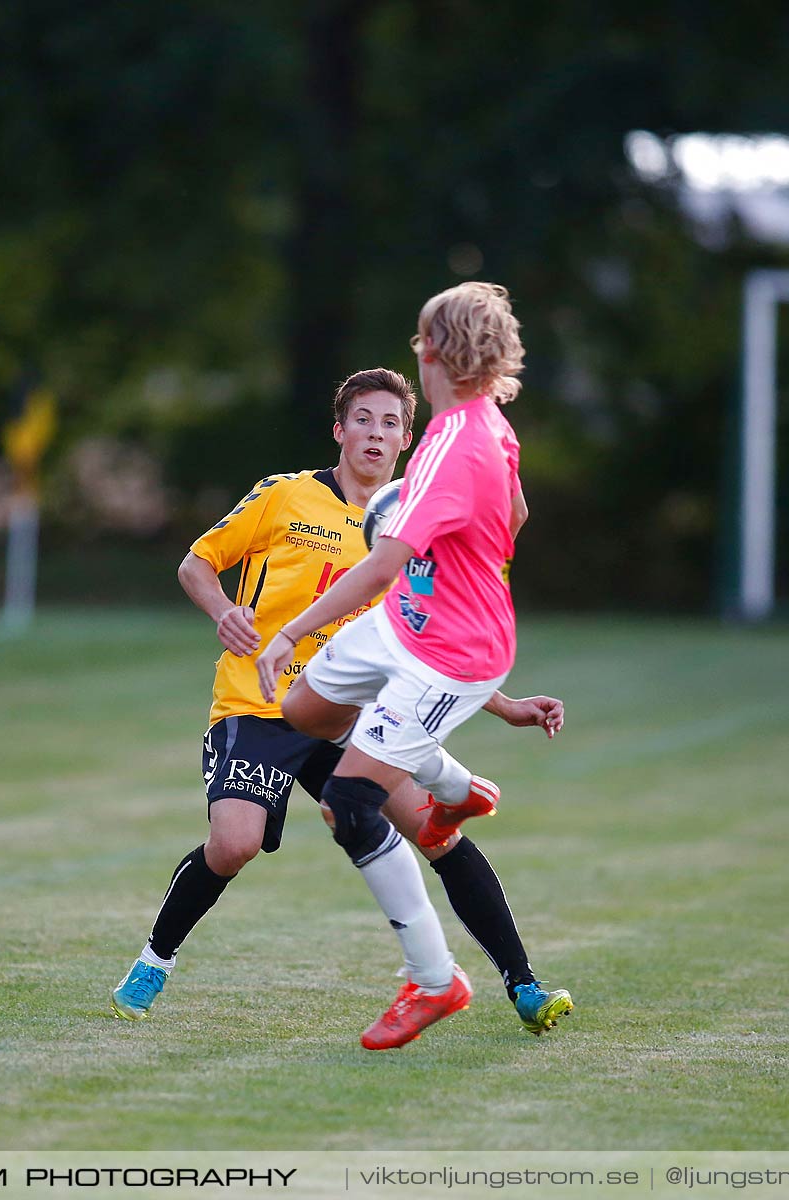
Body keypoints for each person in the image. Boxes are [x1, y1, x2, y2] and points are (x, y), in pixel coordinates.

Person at [112, 366, 572, 1040]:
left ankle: (523, 984)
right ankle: (156, 958)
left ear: (407, 440)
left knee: (436, 830)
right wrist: (223, 611)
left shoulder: (412, 522)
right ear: (339, 429)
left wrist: (504, 706)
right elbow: (197, 562)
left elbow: (423, 638)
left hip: (352, 713)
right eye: (363, 419)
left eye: (390, 423)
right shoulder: (287, 495)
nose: (375, 434)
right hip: (261, 701)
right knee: (234, 843)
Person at [255, 283, 562, 1050]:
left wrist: (290, 631)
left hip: (450, 652)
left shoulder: (450, 447)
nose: (417, 351)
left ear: (435, 351)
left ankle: (435, 980)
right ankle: (454, 785)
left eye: (422, 339)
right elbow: (516, 516)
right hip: (412, 625)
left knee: (350, 803)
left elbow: (382, 568)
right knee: (304, 714)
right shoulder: (488, 424)